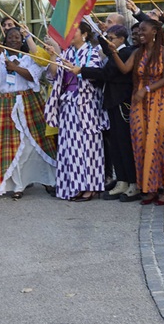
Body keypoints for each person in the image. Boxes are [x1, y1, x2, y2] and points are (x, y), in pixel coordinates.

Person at [0, 27, 57, 197]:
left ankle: (49, 181)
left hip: (28, 101)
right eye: (11, 37)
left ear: (21, 41)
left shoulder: (28, 58)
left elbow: (32, 76)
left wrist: (15, 68)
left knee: (35, 145)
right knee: (13, 147)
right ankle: (18, 186)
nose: (14, 39)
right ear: (5, 40)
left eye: (17, 37)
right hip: (4, 104)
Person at [126, 17, 164, 205]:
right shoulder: (138, 53)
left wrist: (146, 90)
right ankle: (150, 186)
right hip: (140, 102)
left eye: (143, 30)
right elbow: (124, 69)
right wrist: (111, 51)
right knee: (141, 141)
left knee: (161, 142)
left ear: (154, 32)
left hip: (160, 98)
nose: (139, 34)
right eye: (138, 31)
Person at [46, 20, 108, 201]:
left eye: (75, 31)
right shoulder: (66, 52)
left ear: (85, 34)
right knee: (69, 147)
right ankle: (74, 186)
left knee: (88, 146)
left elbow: (98, 75)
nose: (71, 34)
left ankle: (90, 187)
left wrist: (80, 71)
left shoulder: (93, 53)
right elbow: (53, 74)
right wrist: (52, 55)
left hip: (87, 105)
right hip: (68, 104)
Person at [81, 23, 138, 201]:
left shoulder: (126, 53)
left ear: (121, 38)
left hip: (122, 103)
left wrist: (81, 70)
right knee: (116, 144)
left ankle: (133, 182)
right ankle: (121, 179)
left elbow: (109, 73)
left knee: (125, 144)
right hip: (111, 102)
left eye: (111, 38)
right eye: (107, 38)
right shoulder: (114, 53)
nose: (108, 42)